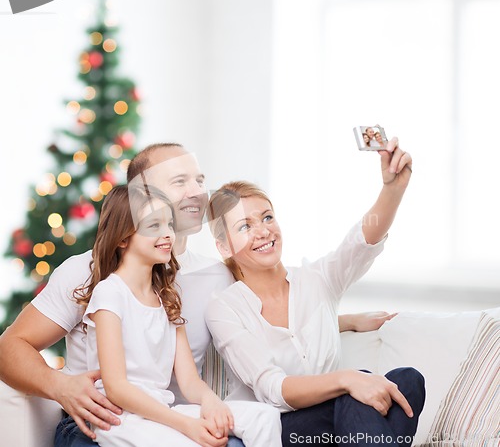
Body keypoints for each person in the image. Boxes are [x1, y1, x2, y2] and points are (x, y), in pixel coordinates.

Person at [0, 142, 393, 447]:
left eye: (200, 180)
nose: (198, 191)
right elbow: (10, 347)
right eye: (180, 182)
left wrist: (344, 321)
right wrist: (59, 385)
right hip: (106, 425)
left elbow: (262, 318)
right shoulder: (90, 273)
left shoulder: (217, 275)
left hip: (177, 419)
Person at [205, 138, 425, 447]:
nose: (263, 231)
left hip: (339, 424)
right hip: (278, 430)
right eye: (245, 226)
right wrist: (347, 379)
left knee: (407, 380)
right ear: (224, 247)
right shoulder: (224, 309)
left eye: (267, 217)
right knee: (356, 389)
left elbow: (361, 244)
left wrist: (393, 189)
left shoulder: (316, 281)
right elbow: (273, 388)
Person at [76, 184, 281, 446]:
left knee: (264, 417)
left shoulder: (167, 297)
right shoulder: (109, 293)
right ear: (123, 238)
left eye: (169, 225)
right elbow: (116, 388)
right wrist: (187, 425)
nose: (168, 235)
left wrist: (211, 403)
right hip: (120, 418)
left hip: (162, 410)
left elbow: (189, 381)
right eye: (153, 226)